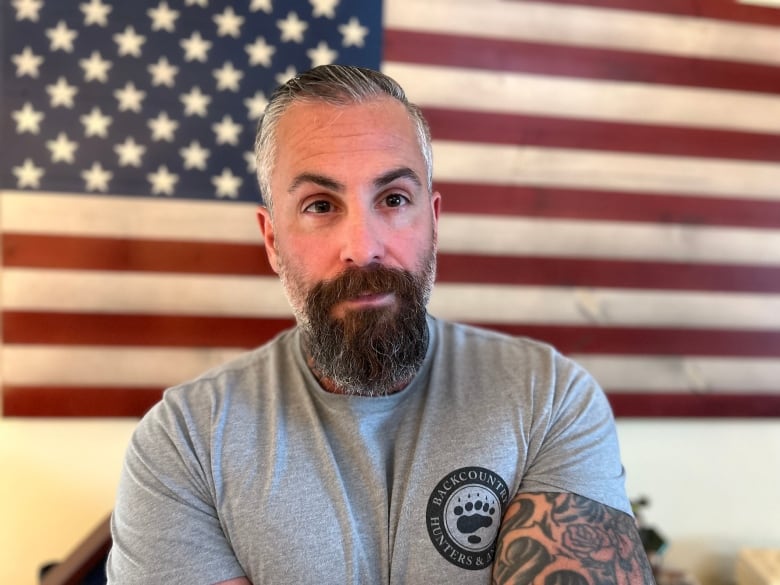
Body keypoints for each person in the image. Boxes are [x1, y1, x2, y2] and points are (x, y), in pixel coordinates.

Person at [107, 65, 654, 585]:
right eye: (320, 206)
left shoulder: (548, 398)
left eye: (393, 199)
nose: (363, 248)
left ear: (433, 222)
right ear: (273, 241)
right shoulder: (185, 443)